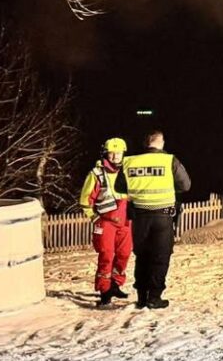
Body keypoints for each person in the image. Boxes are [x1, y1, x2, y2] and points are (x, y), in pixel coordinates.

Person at [123, 130, 192, 309]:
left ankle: (141, 297)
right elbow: (185, 185)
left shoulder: (129, 162)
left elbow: (119, 186)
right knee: (160, 257)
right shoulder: (169, 160)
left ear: (146, 143)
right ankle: (155, 296)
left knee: (142, 256)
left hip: (139, 216)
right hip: (162, 216)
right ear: (160, 143)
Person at [78, 137, 133, 308]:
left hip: (125, 222)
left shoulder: (128, 171)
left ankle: (116, 284)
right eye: (112, 152)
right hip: (106, 222)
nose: (116, 156)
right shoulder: (96, 174)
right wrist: (95, 219)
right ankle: (104, 291)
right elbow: (85, 201)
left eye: (119, 153)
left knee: (124, 254)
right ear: (106, 153)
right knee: (106, 256)